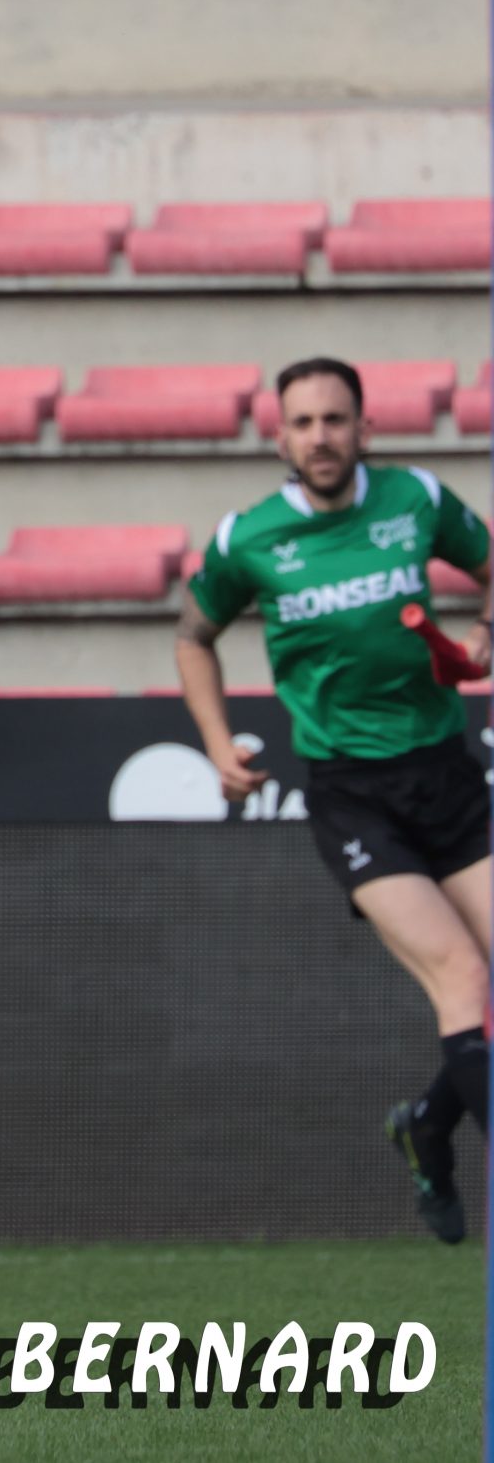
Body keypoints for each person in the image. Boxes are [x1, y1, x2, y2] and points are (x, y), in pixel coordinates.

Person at [177, 356, 494, 1244]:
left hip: (446, 773)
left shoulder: (415, 499)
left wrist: (483, 634)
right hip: (354, 795)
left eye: (335, 419)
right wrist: (217, 743)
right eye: (304, 422)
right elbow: (194, 636)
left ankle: (426, 1125)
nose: (321, 436)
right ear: (280, 437)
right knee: (462, 975)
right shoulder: (249, 538)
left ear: (364, 428)